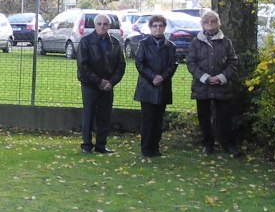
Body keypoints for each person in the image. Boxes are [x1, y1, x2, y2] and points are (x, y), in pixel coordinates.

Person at [187, 8, 240, 155]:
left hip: (222, 86)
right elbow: (190, 63)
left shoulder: (226, 42)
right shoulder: (196, 42)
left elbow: (233, 62)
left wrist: (221, 77)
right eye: (206, 21)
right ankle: (208, 144)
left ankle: (228, 144)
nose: (210, 24)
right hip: (201, 86)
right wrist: (204, 77)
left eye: (213, 21)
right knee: (204, 117)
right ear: (202, 24)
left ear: (218, 23)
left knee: (225, 117)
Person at [76, 12, 126, 154]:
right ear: (94, 25)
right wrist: (99, 81)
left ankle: (101, 145)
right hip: (90, 84)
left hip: (108, 86)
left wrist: (111, 82)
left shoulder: (115, 43)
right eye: (99, 24)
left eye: (105, 24)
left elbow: (121, 65)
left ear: (109, 26)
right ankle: (86, 145)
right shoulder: (86, 41)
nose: (102, 26)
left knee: (105, 115)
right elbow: (83, 65)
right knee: (89, 115)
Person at [133, 14, 179, 158]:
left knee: (158, 120)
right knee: (148, 119)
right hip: (147, 87)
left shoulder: (171, 46)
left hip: (163, 86)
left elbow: (173, 64)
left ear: (164, 27)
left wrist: (162, 77)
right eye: (154, 26)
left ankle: (155, 147)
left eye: (160, 26)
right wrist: (153, 77)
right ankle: (146, 148)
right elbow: (139, 63)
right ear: (150, 27)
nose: (157, 28)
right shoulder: (143, 44)